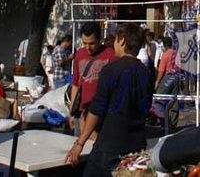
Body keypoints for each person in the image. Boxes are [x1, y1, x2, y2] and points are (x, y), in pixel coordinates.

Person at [64, 23, 154, 176]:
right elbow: (146, 108)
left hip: (110, 145)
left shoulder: (110, 70)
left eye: (116, 41)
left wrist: (80, 142)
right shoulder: (148, 74)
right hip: (137, 144)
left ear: (122, 41)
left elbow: (96, 109)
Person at [69, 22, 116, 138]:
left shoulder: (111, 55)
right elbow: (75, 83)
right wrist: (72, 112)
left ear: (99, 39)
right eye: (84, 43)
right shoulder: (79, 54)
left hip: (101, 112)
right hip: (81, 111)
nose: (88, 47)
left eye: (92, 43)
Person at [154, 35, 181, 129]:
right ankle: (173, 123)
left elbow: (161, 70)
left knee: (158, 99)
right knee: (174, 100)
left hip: (168, 77)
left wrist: (157, 81)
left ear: (164, 45)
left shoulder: (165, 55)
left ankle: (165, 123)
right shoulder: (176, 53)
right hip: (176, 77)